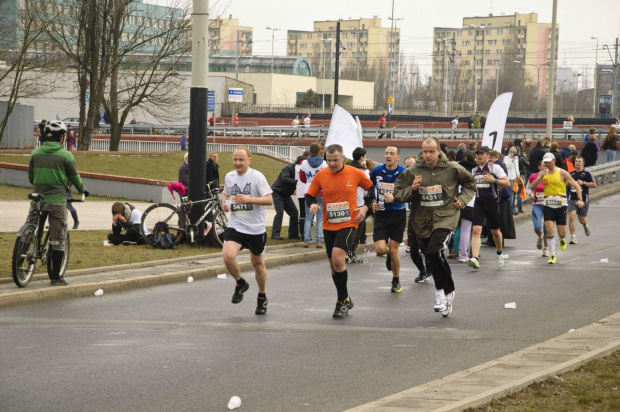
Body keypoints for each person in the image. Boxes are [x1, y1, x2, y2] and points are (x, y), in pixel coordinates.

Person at [394, 137, 476, 317]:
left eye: (432, 151)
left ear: (439, 151)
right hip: (422, 220)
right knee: (431, 255)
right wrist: (413, 189)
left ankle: (441, 292)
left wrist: (462, 200)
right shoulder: (413, 171)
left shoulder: (453, 168)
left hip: (446, 217)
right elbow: (398, 194)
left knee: (434, 251)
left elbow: (471, 184)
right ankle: (448, 289)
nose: (428, 154)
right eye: (425, 151)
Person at [306, 144, 373, 318]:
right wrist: (312, 204)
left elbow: (372, 190)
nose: (332, 164)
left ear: (343, 158)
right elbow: (309, 194)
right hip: (329, 225)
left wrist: (365, 208)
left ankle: (341, 301)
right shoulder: (321, 175)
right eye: (329, 160)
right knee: (334, 266)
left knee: (337, 258)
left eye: (335, 160)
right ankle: (345, 299)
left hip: (349, 223)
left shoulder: (355, 173)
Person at [26, 120, 88, 286]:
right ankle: (55, 277)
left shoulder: (35, 154)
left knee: (30, 227)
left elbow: (31, 178)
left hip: (37, 198)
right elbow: (75, 178)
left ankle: (23, 254)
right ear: (61, 138)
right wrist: (83, 190)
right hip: (57, 201)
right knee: (58, 238)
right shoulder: (66, 156)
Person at [221, 146, 274, 315]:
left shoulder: (257, 176)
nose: (237, 163)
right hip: (236, 226)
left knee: (257, 264)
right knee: (228, 257)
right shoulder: (229, 176)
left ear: (249, 160)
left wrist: (249, 199)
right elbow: (226, 194)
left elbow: (269, 200)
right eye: (235, 159)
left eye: (241, 160)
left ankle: (262, 296)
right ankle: (240, 283)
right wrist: (225, 203)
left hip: (255, 228)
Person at [529, 152, 584, 264]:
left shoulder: (562, 173)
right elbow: (531, 187)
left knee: (562, 233)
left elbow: (576, 185)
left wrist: (580, 199)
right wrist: (540, 178)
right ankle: (552, 254)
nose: (547, 164)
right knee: (549, 229)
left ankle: (562, 239)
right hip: (548, 204)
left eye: (549, 162)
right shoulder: (543, 174)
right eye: (546, 162)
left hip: (561, 204)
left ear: (554, 161)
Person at [370, 146, 407, 293]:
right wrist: (372, 201)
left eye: (392, 154)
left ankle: (396, 280)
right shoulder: (377, 171)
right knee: (380, 250)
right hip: (381, 215)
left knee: (394, 250)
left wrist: (396, 197)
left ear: (398, 157)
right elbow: (369, 188)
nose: (388, 156)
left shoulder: (404, 173)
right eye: (386, 153)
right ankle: (389, 256)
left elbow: (409, 192)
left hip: (398, 215)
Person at [468, 146, 511, 269]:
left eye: (482, 154)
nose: (479, 156)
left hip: (492, 202)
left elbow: (507, 183)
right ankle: (475, 257)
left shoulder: (495, 167)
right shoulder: (474, 170)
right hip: (479, 202)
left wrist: (494, 180)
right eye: (478, 154)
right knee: (476, 230)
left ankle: (499, 253)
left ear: (487, 155)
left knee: (495, 232)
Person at [403, 155, 432, 281]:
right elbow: (401, 195)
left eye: (412, 166)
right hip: (414, 217)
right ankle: (422, 271)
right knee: (414, 249)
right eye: (407, 167)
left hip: (429, 217)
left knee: (426, 247)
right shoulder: (405, 178)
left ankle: (430, 268)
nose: (409, 169)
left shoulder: (426, 176)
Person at [299, 143, 327, 248]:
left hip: (309, 192)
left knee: (308, 217)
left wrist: (309, 181)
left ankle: (306, 240)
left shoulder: (304, 163)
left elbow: (302, 178)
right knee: (320, 218)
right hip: (320, 192)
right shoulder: (324, 163)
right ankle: (319, 241)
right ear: (319, 151)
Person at [346, 147, 370, 263]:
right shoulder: (364, 171)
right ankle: (350, 253)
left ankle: (345, 252)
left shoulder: (345, 167)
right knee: (357, 231)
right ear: (362, 157)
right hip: (359, 203)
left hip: (346, 202)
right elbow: (368, 188)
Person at [568, 156, 596, 244]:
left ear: (583, 163)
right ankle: (573, 237)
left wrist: (583, 183)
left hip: (583, 198)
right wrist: (568, 183)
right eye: (576, 161)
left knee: (581, 219)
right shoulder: (570, 174)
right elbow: (564, 184)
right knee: (571, 216)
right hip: (571, 198)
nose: (577, 163)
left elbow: (594, 184)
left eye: (579, 161)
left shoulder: (587, 174)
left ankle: (585, 224)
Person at [270, 160, 300, 240]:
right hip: (277, 192)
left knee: (294, 213)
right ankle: (275, 234)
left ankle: (293, 235)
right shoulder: (289, 168)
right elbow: (284, 178)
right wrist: (297, 182)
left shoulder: (300, 171)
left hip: (286, 194)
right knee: (279, 212)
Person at [527, 161, 549, 256]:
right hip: (537, 204)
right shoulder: (533, 176)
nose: (545, 168)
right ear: (539, 167)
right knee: (537, 227)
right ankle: (540, 236)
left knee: (547, 228)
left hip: (549, 204)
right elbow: (527, 188)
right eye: (543, 166)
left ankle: (546, 248)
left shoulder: (552, 176)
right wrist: (531, 194)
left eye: (547, 166)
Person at [294, 151, 309, 238]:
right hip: (307, 190)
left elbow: (297, 179)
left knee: (302, 213)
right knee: (309, 213)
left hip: (300, 191)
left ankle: (302, 233)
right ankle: (307, 233)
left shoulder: (297, 166)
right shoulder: (307, 165)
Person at [504, 147, 521, 215]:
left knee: (515, 193)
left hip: (515, 177)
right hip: (510, 177)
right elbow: (507, 166)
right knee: (511, 194)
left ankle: (513, 208)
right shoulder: (506, 158)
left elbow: (517, 167)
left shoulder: (516, 158)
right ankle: (511, 209)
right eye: (513, 152)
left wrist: (518, 175)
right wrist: (510, 158)